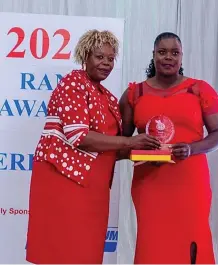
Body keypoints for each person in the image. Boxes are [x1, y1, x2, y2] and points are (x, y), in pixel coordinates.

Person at [26, 30, 160, 264]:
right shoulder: (73, 83)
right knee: (63, 251)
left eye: (110, 58)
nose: (106, 63)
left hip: (94, 184)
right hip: (65, 180)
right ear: (85, 56)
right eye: (99, 57)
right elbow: (79, 136)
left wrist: (152, 151)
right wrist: (131, 142)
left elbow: (110, 147)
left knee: (87, 252)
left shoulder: (106, 96)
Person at [119, 32, 218, 264]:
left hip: (190, 183)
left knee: (192, 239)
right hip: (150, 183)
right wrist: (141, 148)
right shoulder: (133, 94)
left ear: (182, 56)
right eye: (162, 52)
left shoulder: (200, 90)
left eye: (174, 52)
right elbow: (121, 143)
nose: (168, 57)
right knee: (153, 244)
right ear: (153, 55)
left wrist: (192, 148)